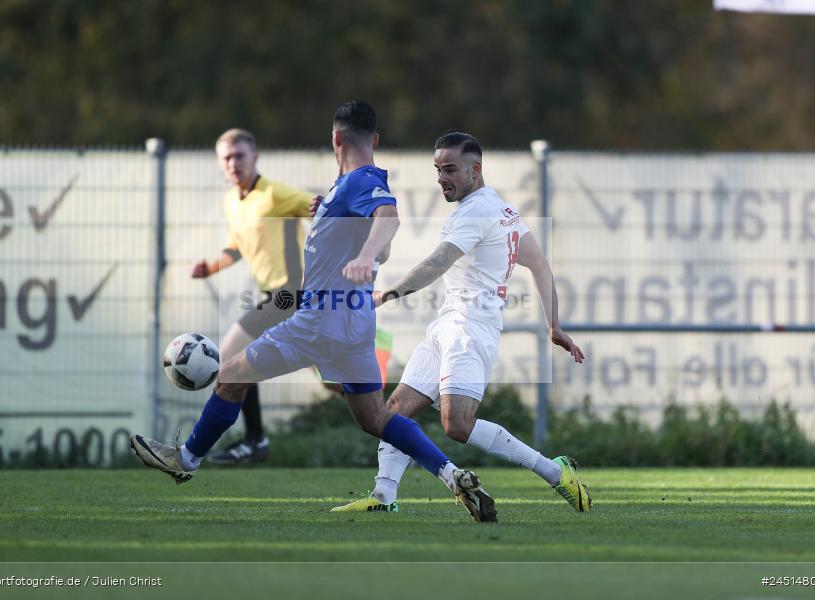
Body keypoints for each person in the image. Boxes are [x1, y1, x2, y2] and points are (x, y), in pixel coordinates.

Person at [131, 102, 498, 523]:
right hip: (356, 325)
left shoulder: (364, 180)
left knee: (231, 375)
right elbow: (378, 235)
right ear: (374, 139)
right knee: (376, 418)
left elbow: (389, 219)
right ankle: (454, 477)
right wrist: (333, 219)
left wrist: (364, 255)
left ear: (336, 139)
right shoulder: (343, 189)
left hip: (319, 321)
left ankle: (188, 459)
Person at [331, 131, 593, 514]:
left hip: (471, 330)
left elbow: (439, 262)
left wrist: (387, 295)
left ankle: (555, 472)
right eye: (438, 170)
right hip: (446, 327)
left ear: (476, 168)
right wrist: (553, 324)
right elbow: (539, 264)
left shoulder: (478, 212)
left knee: (458, 424)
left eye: (450, 169)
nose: (442, 178)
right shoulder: (502, 211)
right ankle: (383, 496)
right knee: (395, 411)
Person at [191, 128, 319, 465]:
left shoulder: (275, 194)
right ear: (220, 163)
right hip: (276, 295)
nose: (233, 163)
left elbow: (319, 209)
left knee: (231, 357)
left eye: (239, 156)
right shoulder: (232, 200)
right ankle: (391, 410)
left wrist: (321, 207)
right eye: (226, 158)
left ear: (254, 157)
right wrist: (211, 267)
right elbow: (237, 246)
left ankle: (253, 441)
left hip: (292, 292)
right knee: (337, 381)